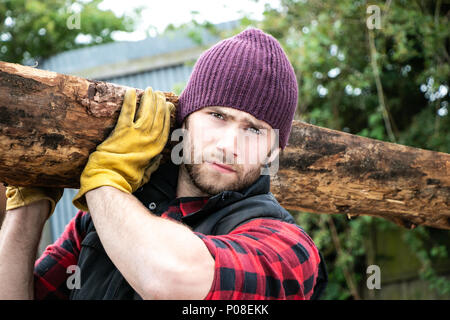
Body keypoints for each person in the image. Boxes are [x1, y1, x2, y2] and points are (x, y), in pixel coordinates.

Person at [0, 28, 327, 300]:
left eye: (254, 129)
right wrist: (29, 206)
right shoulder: (94, 225)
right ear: (184, 120)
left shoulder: (287, 246)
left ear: (273, 149)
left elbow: (169, 280)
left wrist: (104, 178)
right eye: (216, 115)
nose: (229, 146)